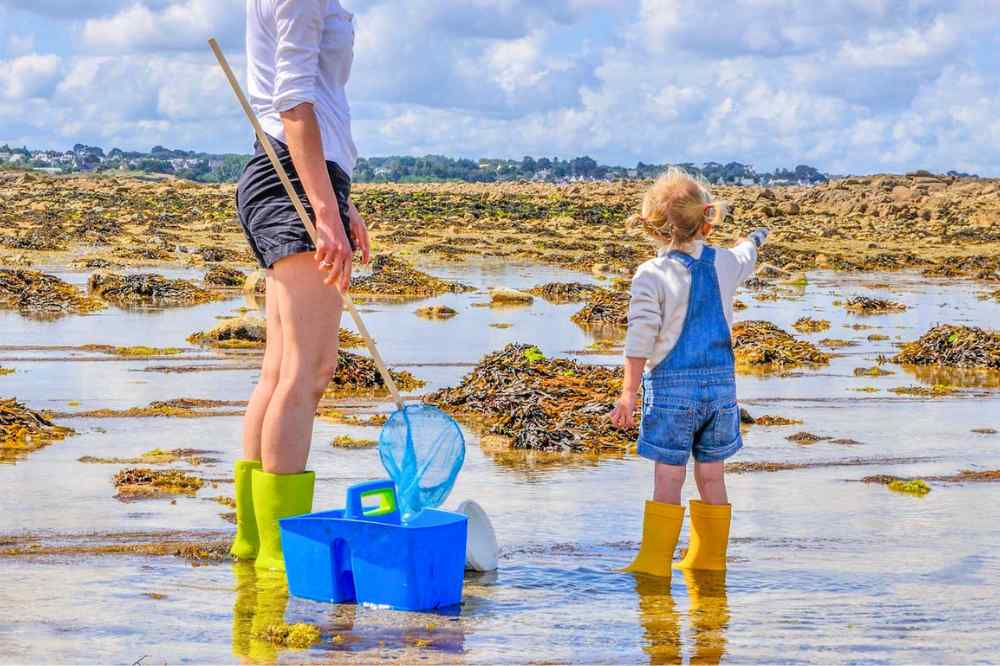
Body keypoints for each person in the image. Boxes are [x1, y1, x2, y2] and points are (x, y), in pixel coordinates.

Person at [229, 0, 371, 572]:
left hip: (297, 174)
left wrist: (342, 202)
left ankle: (253, 545)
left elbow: (312, 104)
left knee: (280, 370)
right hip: (288, 176)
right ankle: (274, 556)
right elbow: (292, 104)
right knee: (306, 372)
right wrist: (325, 212)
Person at [610, 167, 768, 578]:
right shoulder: (725, 264)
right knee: (712, 476)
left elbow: (639, 339)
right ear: (706, 218)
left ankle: (654, 563)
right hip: (720, 391)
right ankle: (709, 562)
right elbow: (745, 255)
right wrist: (754, 239)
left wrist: (628, 393)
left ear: (655, 228)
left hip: (671, 391)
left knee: (668, 478)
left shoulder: (652, 274)